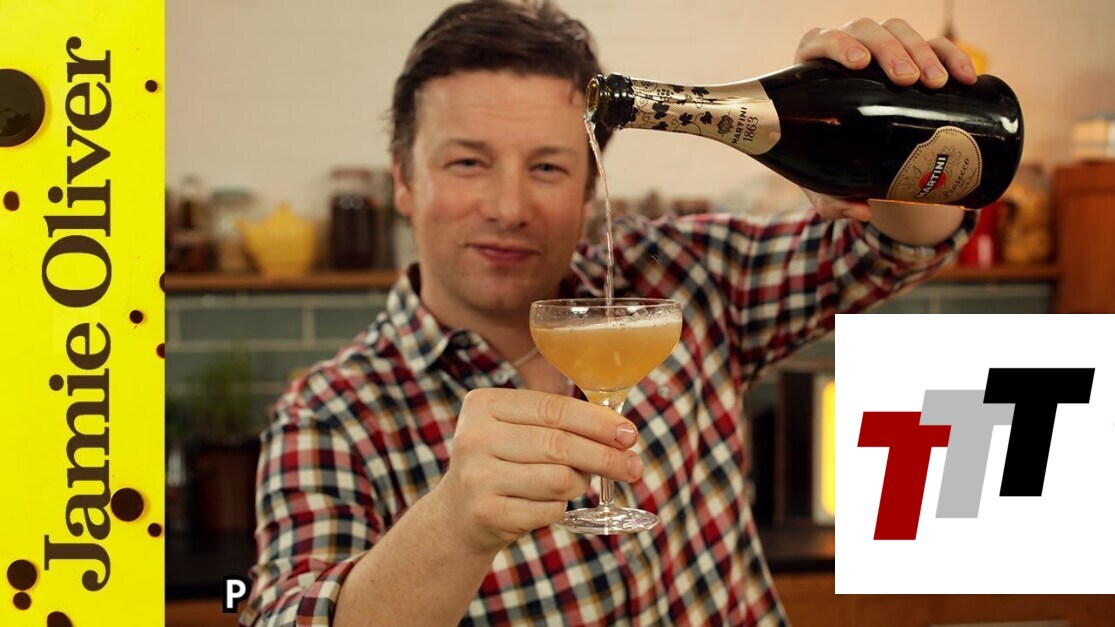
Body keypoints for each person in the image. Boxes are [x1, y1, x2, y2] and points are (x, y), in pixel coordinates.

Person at [241, 1, 980, 625]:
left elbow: (893, 248)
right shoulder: (331, 413)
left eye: (548, 166)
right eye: (466, 162)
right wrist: (454, 527)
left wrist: (889, 139)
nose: (508, 207)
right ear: (403, 179)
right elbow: (283, 613)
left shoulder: (682, 278)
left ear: (589, 181)